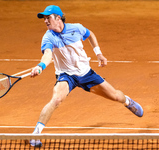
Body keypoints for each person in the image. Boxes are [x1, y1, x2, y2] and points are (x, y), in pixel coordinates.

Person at [29, 5, 143, 147]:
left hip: (86, 73)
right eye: (44, 19)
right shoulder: (48, 37)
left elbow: (90, 34)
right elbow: (47, 54)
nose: (45, 21)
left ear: (58, 18)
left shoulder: (77, 28)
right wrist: (40, 66)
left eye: (48, 18)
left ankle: (127, 101)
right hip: (66, 76)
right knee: (56, 99)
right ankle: (35, 134)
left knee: (115, 96)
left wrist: (98, 53)